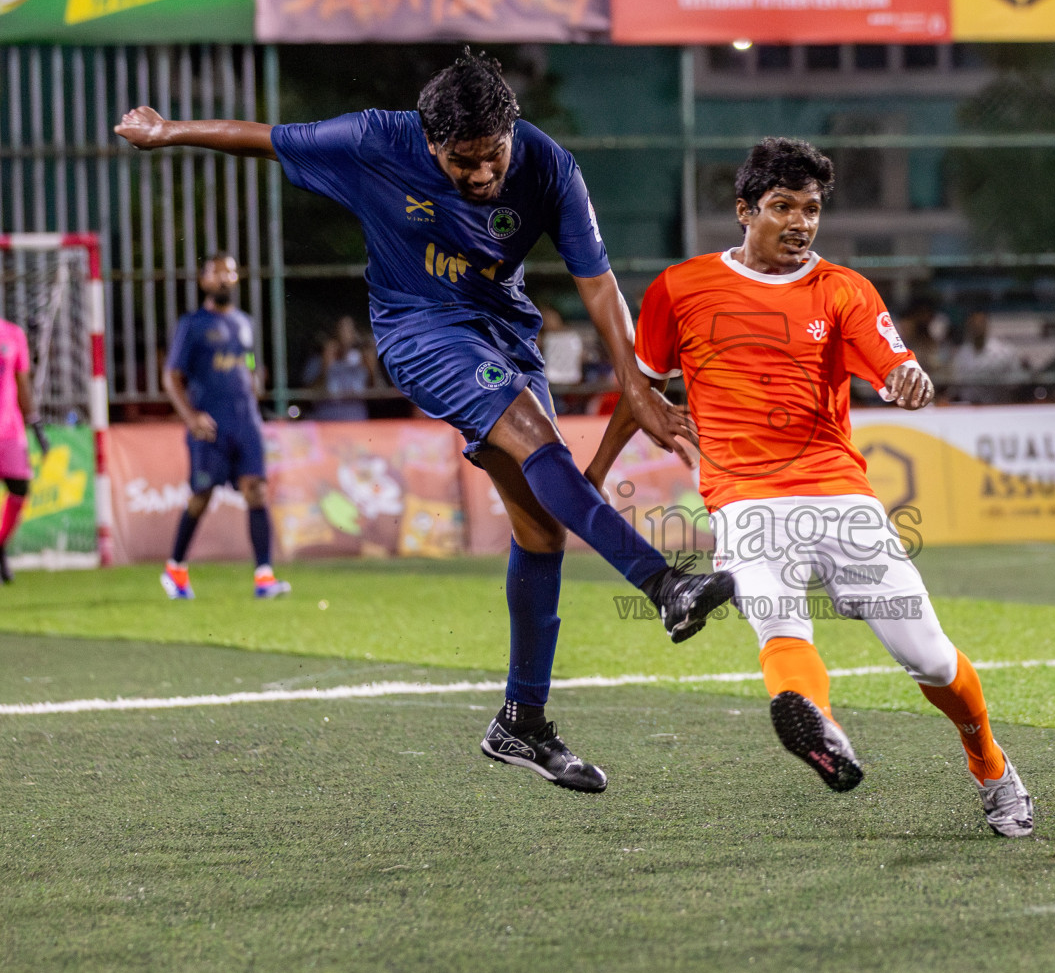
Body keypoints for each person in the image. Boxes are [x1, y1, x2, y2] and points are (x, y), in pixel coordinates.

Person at [117, 48, 733, 794]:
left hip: (505, 332)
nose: (481, 176)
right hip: (418, 330)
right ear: (429, 140)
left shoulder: (548, 166)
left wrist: (633, 386)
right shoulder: (375, 139)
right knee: (540, 443)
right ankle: (663, 583)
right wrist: (168, 129)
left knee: (540, 531)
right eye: (463, 162)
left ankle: (522, 724)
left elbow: (599, 287)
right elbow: (264, 136)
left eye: (492, 156)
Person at [586, 138, 1035, 838]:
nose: (800, 222)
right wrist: (596, 468)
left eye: (813, 209)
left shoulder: (844, 289)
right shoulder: (679, 288)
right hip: (744, 505)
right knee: (780, 627)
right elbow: (640, 389)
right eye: (783, 207)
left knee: (929, 658)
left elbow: (895, 366)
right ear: (744, 211)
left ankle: (991, 764)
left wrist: (909, 383)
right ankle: (822, 730)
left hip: (839, 500)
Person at [160, 253, 292, 601]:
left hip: (245, 420)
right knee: (202, 496)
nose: (225, 279)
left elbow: (247, 358)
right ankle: (174, 568)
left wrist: (252, 378)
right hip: (211, 424)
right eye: (217, 273)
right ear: (204, 281)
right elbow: (171, 377)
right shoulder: (193, 325)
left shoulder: (244, 323)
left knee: (257, 490)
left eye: (230, 272)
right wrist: (190, 418)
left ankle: (264, 576)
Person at [0, 313, 46, 584]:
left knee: (20, 489)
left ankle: (0, 545)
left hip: (9, 429)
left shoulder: (13, 334)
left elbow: (22, 382)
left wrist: (36, 426)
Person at [303, 315, 378, 421]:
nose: (345, 336)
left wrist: (371, 369)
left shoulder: (362, 359)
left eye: (349, 330)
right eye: (342, 330)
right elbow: (306, 395)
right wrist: (325, 367)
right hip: (326, 419)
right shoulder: (318, 359)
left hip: (356, 420)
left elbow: (377, 393)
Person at [948, 310, 1026, 404]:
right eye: (973, 323)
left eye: (980, 323)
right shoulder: (961, 354)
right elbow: (955, 386)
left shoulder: (1004, 352)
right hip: (969, 407)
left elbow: (1016, 382)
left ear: (986, 324)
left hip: (997, 405)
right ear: (968, 326)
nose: (977, 327)